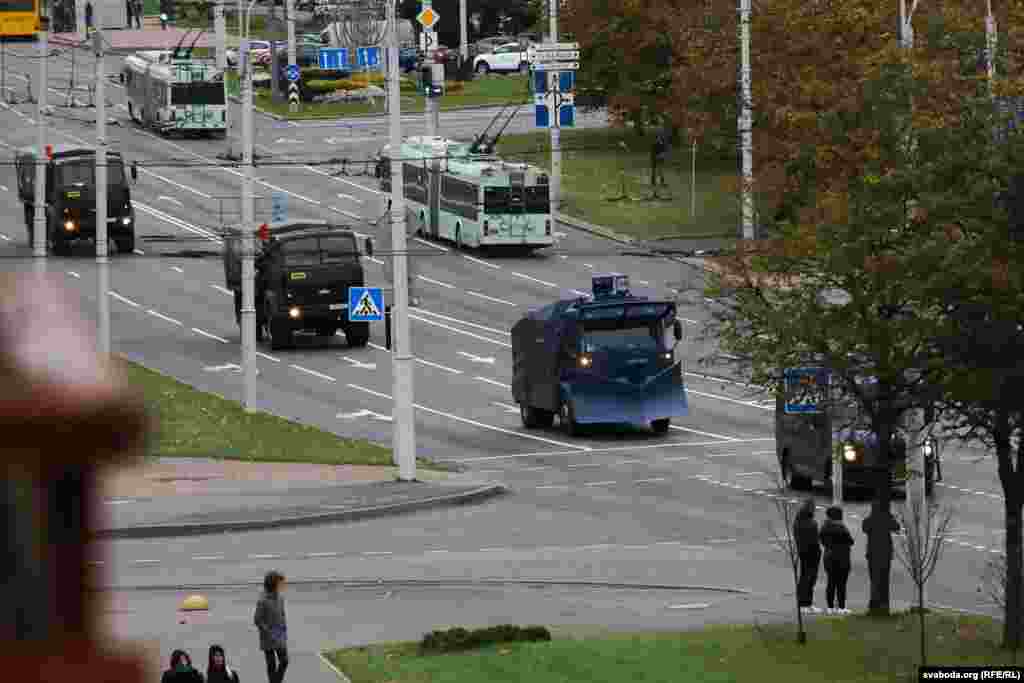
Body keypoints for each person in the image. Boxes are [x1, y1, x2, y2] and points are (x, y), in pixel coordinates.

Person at [254, 570, 289, 683]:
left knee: (284, 661)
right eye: (280, 583)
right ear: (273, 584)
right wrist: (268, 632)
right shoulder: (263, 600)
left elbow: (282, 613)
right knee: (271, 664)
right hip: (268, 637)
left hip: (280, 634)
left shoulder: (280, 597)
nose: (282, 585)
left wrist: (284, 626)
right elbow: (257, 620)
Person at [819, 505, 855, 614]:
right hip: (842, 557)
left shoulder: (824, 527)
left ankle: (830, 607)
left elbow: (822, 540)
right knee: (841, 584)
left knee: (831, 582)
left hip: (829, 557)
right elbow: (851, 541)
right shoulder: (841, 528)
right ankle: (841, 607)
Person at [793, 497, 822, 614]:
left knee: (807, 577)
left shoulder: (801, 520)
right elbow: (813, 538)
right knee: (808, 578)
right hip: (810, 552)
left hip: (806, 551)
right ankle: (804, 603)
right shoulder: (808, 522)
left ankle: (806, 603)